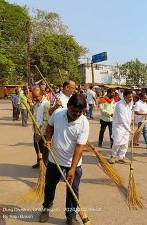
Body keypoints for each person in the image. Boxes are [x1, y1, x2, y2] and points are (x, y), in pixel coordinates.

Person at [39, 94, 89, 225]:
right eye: (74, 110)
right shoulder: (58, 113)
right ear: (68, 106)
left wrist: (72, 169)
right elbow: (50, 126)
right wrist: (49, 139)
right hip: (54, 159)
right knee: (50, 186)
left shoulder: (84, 123)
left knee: (73, 190)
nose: (77, 113)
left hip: (73, 163)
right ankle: (46, 208)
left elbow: (79, 147)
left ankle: (70, 216)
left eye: (80, 111)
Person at [109, 89, 134, 164]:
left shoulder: (130, 102)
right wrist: (130, 130)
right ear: (124, 96)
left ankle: (121, 157)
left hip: (127, 126)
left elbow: (130, 111)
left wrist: (132, 118)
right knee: (117, 143)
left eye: (131, 97)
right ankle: (113, 156)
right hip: (119, 127)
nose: (131, 99)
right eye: (129, 97)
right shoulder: (120, 105)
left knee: (125, 144)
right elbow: (122, 119)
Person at [31, 87, 50, 168]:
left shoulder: (46, 104)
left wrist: (40, 134)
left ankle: (45, 166)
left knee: (44, 150)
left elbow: (46, 121)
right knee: (37, 148)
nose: (35, 98)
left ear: (42, 94)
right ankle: (39, 163)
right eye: (34, 97)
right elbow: (34, 114)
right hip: (36, 130)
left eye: (37, 96)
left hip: (44, 132)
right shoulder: (36, 103)